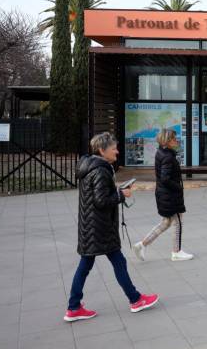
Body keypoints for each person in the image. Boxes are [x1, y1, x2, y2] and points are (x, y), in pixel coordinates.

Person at [64, 132, 159, 322]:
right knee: (118, 262)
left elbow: (96, 196)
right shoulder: (100, 170)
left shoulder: (89, 166)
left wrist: (116, 191)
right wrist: (121, 195)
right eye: (114, 147)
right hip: (101, 228)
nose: (117, 150)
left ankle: (74, 307)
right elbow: (101, 201)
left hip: (89, 227)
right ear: (102, 150)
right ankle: (135, 300)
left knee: (86, 265)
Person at [133, 128, 194, 262]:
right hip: (170, 196)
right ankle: (176, 252)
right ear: (167, 141)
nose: (176, 140)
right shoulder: (167, 156)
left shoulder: (161, 153)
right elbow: (165, 178)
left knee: (166, 223)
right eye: (173, 138)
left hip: (163, 194)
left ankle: (142, 244)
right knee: (178, 222)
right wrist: (178, 187)